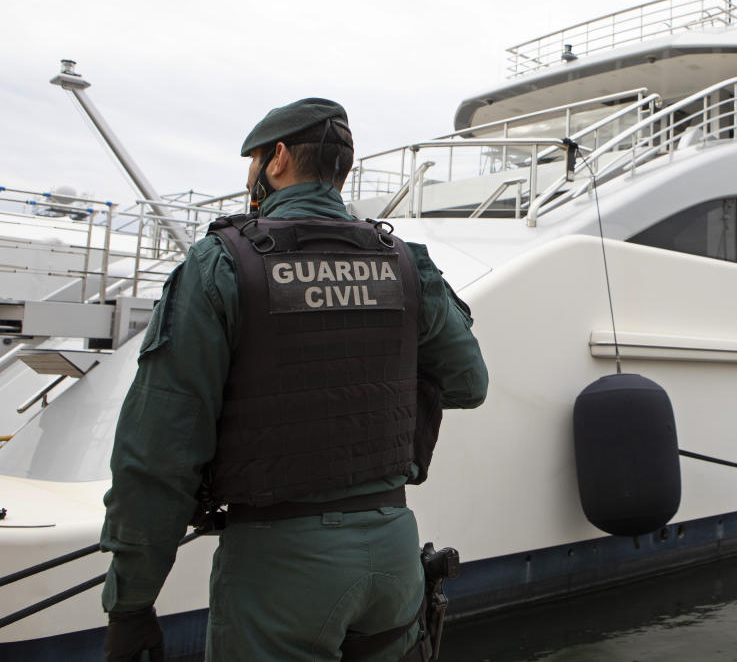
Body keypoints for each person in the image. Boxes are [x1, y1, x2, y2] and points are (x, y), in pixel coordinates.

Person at [100, 98, 488, 662]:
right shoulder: (403, 262)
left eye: (254, 160)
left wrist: (130, 603)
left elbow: (159, 447)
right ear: (343, 170)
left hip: (278, 568)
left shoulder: (222, 262)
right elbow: (468, 384)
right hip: (393, 556)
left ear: (277, 158)